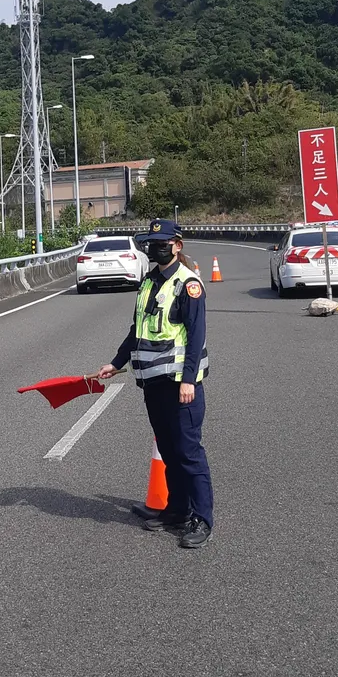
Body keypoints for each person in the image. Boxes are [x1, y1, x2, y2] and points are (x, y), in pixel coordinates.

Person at [96, 219, 214, 548]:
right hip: (152, 383)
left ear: (177, 245)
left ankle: (202, 518)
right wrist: (117, 362)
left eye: (161, 242)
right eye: (151, 242)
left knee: (189, 452)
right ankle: (176, 509)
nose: (154, 247)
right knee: (169, 450)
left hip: (180, 383)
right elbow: (137, 329)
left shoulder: (187, 283)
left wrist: (189, 380)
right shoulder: (149, 281)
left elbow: (195, 336)